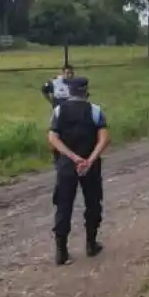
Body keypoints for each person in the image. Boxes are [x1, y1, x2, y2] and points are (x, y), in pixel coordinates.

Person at [47, 76, 110, 266]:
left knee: (64, 205)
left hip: (66, 165)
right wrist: (89, 160)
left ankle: (61, 252)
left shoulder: (59, 111)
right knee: (92, 203)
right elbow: (104, 139)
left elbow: (52, 138)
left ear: (69, 92)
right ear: (86, 92)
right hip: (90, 166)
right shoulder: (95, 111)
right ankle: (91, 245)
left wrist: (72, 157)